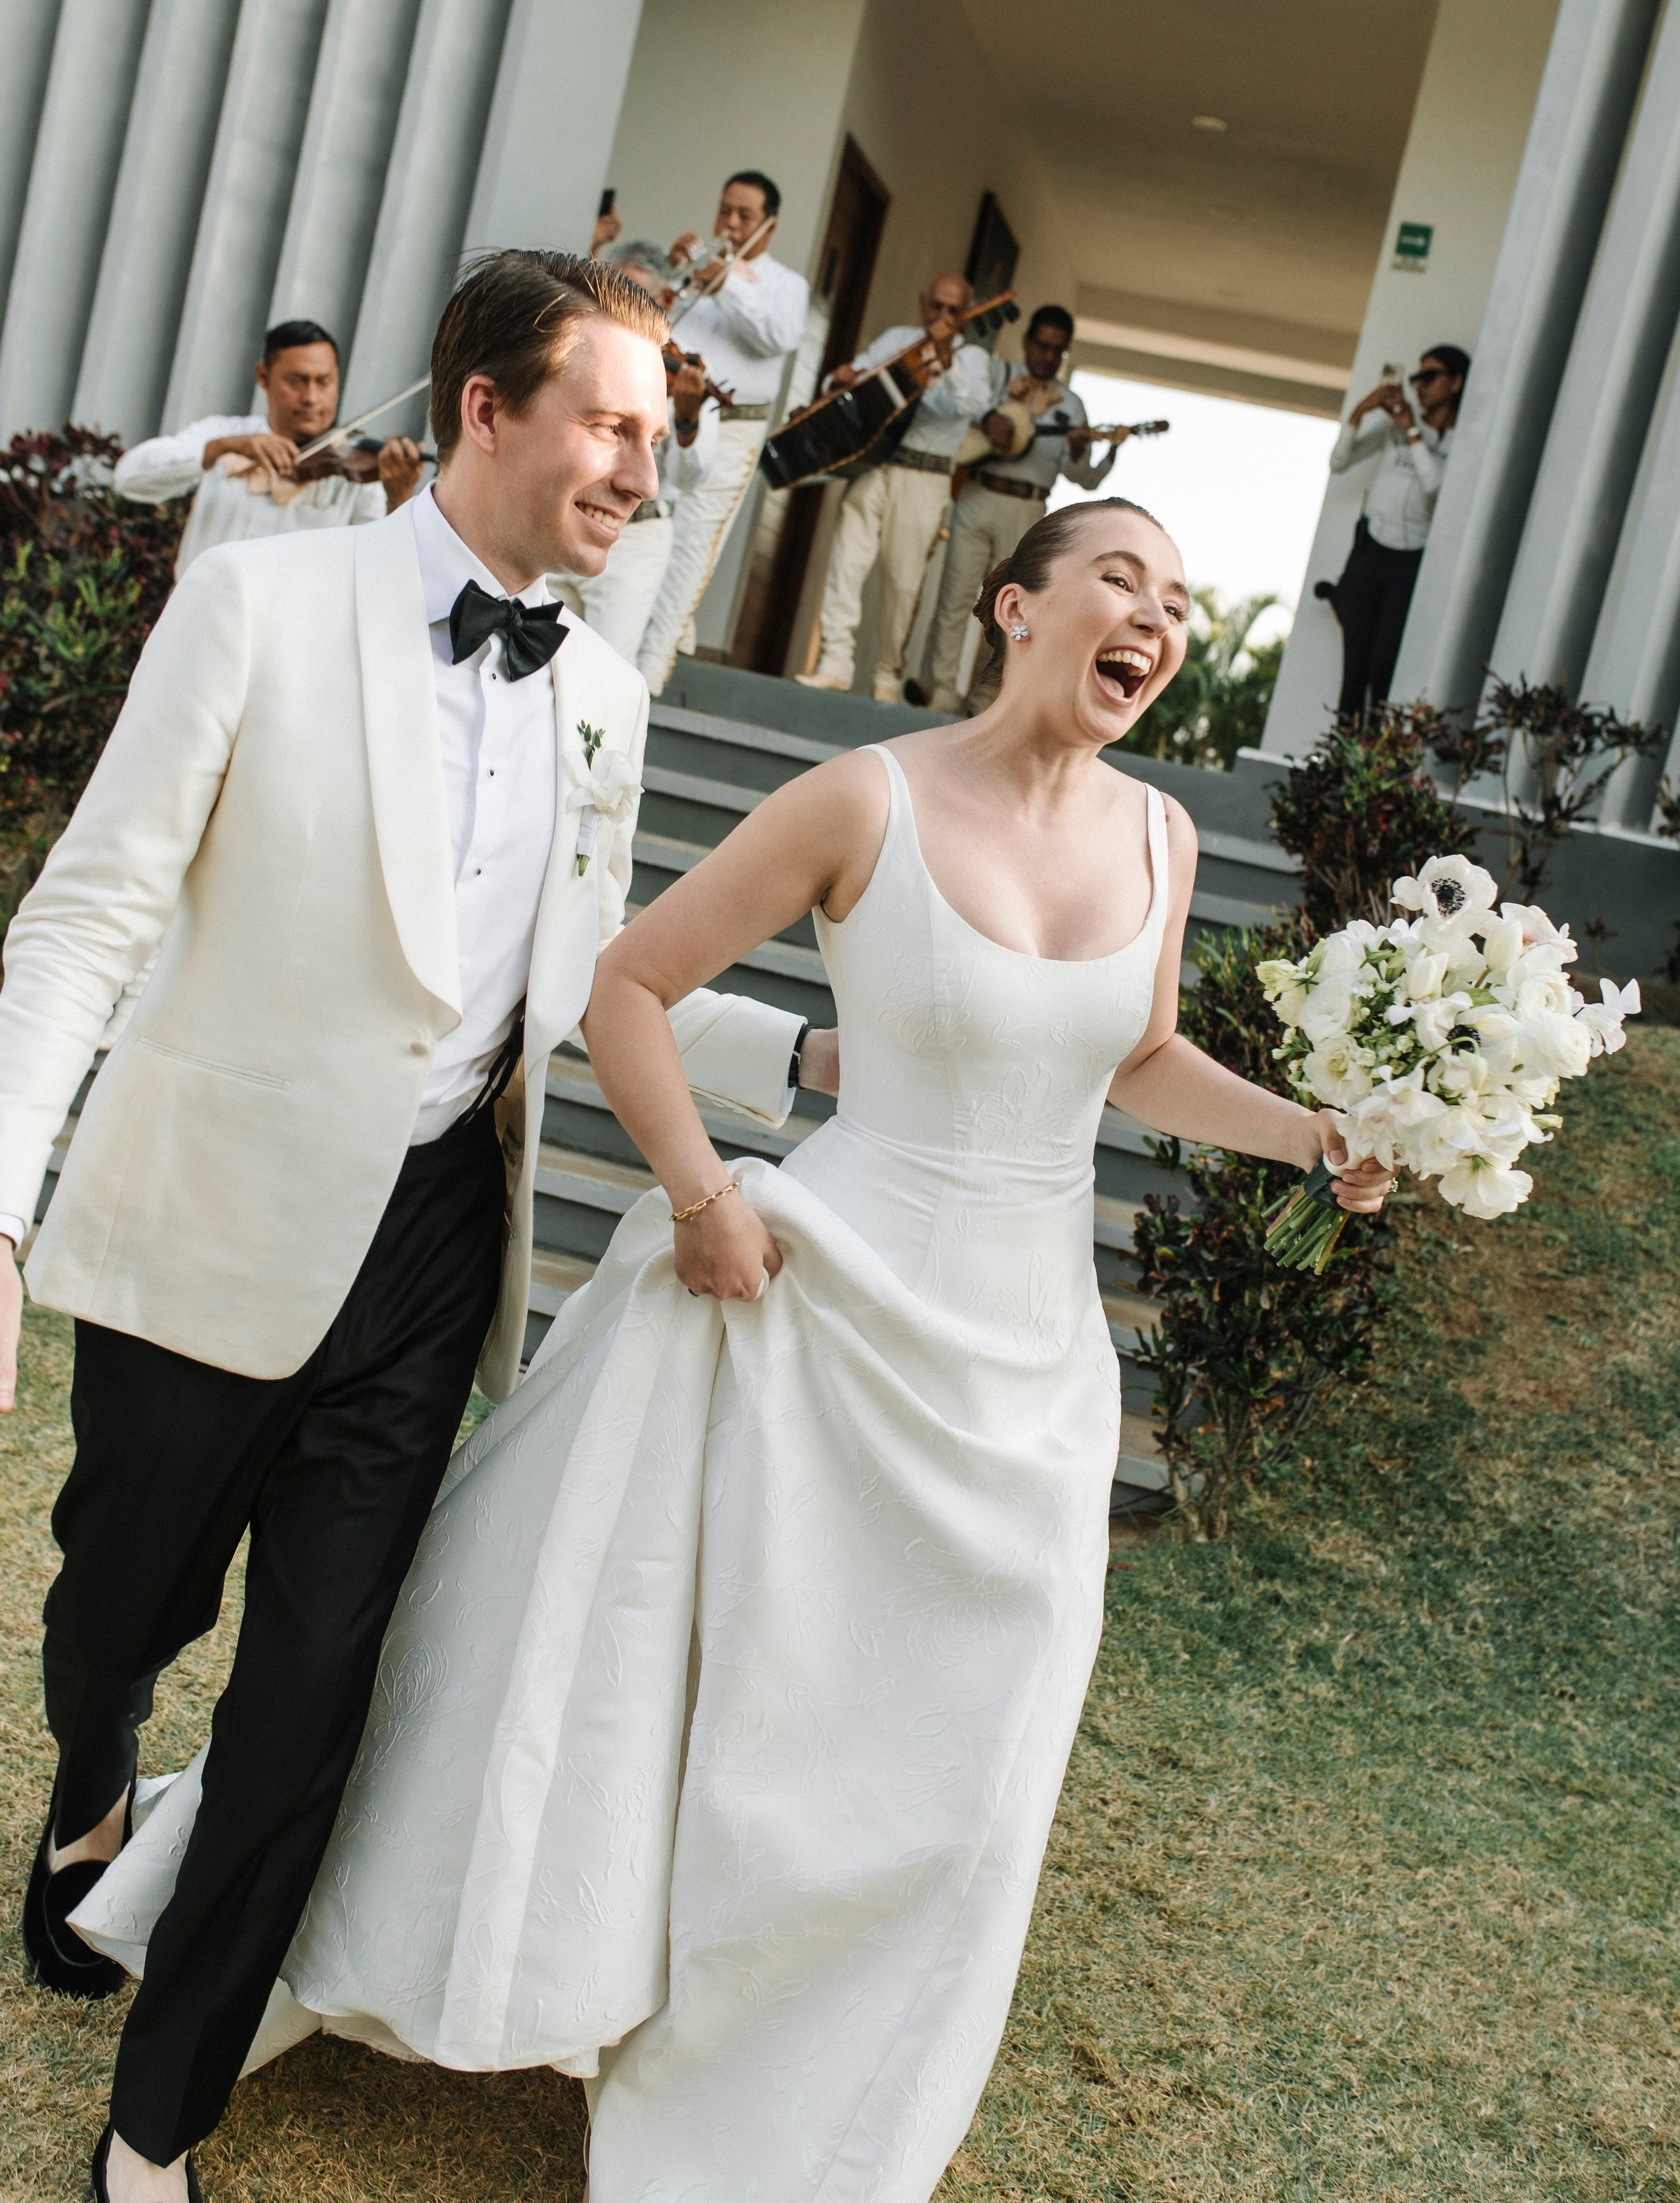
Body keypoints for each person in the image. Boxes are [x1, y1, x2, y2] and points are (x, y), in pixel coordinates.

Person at [74, 497, 1395, 2203]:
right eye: (1122, 577)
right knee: (730, 1713)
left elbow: (1133, 1060)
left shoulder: (1162, 840)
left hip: (1031, 1363)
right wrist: (704, 1195)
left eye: (1181, 593)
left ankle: (812, 2110)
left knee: (954, 1760)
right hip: (811, 1303)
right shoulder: (866, 796)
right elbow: (627, 984)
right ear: (1015, 606)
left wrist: (1314, 1134)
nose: (1157, 613)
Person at [1, 249, 831, 2203]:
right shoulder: (257, 602)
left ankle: (157, 2117)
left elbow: (578, 981)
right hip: (209, 1203)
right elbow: (90, 917)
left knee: (314, 1688)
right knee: (119, 1598)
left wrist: (825, 1047)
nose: (645, 464)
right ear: (486, 407)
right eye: (614, 422)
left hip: (439, 1233)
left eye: (659, 432)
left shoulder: (605, 695)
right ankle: (97, 1769)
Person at [635, 171, 810, 691]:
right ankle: (643, 641)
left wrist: (727, 281)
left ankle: (649, 674)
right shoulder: (697, 268)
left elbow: (777, 337)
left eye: (745, 215)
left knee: (692, 543)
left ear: (769, 226)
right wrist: (671, 280)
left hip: (732, 427)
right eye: (725, 210)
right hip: (670, 416)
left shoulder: (786, 286)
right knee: (650, 527)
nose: (730, 223)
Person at [913, 301, 1124, 714]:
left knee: (1010, 607)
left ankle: (986, 697)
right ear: (1027, 342)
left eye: (1057, 351)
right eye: (1041, 346)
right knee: (956, 594)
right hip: (979, 493)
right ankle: (939, 689)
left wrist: (1087, 452)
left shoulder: (1072, 405)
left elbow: (1081, 478)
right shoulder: (997, 376)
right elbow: (965, 413)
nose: (1046, 357)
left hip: (1027, 511)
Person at [795, 271, 994, 701]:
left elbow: (966, 404)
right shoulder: (896, 339)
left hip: (925, 478)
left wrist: (943, 359)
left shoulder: (973, 360)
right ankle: (835, 661)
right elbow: (853, 379)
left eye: (953, 310)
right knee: (847, 560)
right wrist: (840, 381)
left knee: (904, 583)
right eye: (936, 306)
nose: (942, 315)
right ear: (924, 304)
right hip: (874, 463)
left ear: (967, 313)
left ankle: (886, 677)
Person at [114, 318, 425, 577]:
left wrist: (398, 494)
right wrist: (224, 447)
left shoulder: (357, 475)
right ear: (263, 377)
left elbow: (379, 573)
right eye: (297, 381)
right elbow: (128, 478)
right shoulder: (225, 434)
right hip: (195, 624)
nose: (311, 398)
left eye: (324, 382)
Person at [547, 243, 720, 661]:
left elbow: (690, 477)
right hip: (570, 518)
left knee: (603, 669)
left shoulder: (689, 366)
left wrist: (687, 418)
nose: (618, 303)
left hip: (636, 535)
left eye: (633, 291)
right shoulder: (582, 348)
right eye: (611, 289)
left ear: (666, 301)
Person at [1315, 345, 1469, 720]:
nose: (1419, 386)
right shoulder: (1391, 432)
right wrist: (1360, 411)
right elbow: (1339, 463)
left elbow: (1435, 489)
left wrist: (1413, 431)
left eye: (1430, 377)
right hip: (1370, 551)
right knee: (1356, 669)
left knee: (1384, 670)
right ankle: (1340, 763)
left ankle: (1374, 765)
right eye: (1416, 379)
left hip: (1410, 561)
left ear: (1456, 383)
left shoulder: (1461, 443)